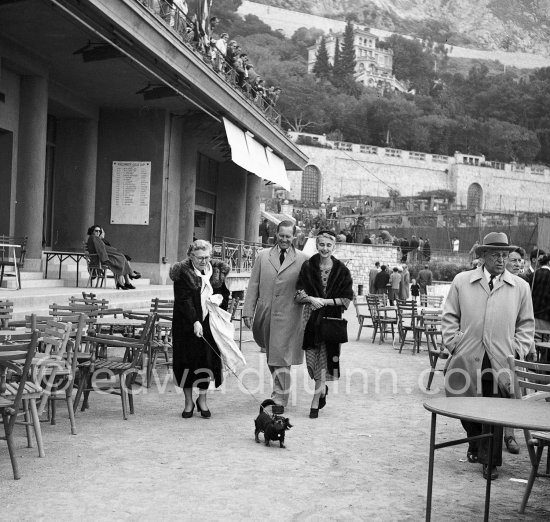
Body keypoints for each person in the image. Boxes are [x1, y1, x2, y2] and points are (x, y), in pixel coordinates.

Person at [442, 232, 534, 480]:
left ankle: (490, 462)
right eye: (495, 255)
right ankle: (475, 443)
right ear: (482, 256)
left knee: (493, 410)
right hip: (468, 355)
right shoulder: (462, 281)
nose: (501, 260)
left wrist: (517, 349)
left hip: (501, 359)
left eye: (505, 255)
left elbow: (526, 325)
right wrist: (454, 343)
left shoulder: (520, 287)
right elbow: (449, 316)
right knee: (463, 405)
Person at [242, 221, 308, 415]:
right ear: (276, 235)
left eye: (289, 236)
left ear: (294, 237)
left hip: (290, 315)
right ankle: (279, 392)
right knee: (273, 357)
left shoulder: (304, 259)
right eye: (282, 235)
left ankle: (280, 397)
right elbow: (253, 285)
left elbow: (309, 287)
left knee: (282, 357)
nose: (285, 239)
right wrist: (248, 311)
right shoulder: (262, 256)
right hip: (266, 314)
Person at [170, 240, 231, 419]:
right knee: (186, 362)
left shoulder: (217, 272)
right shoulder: (182, 273)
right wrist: (194, 321)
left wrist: (219, 299)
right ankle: (188, 401)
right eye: (199, 258)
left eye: (206, 257)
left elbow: (225, 295)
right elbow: (184, 300)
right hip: (185, 324)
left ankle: (202, 399)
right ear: (191, 256)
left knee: (206, 361)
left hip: (209, 323)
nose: (204, 261)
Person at [295, 230, 353, 418]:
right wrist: (311, 299)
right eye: (322, 245)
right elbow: (298, 294)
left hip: (331, 321)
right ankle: (322, 389)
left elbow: (346, 299)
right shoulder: (308, 266)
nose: (325, 249)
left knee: (325, 359)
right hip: (310, 318)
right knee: (311, 359)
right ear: (317, 245)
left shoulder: (342, 270)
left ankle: (314, 400)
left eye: (329, 245)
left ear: (334, 247)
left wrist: (324, 302)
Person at [86, 225, 139, 290]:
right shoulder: (94, 238)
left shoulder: (94, 238)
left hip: (101, 257)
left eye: (99, 231)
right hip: (100, 259)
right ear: (92, 231)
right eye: (96, 231)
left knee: (121, 258)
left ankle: (123, 281)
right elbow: (100, 250)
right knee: (120, 259)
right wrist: (105, 259)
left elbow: (102, 249)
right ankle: (126, 279)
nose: (98, 232)